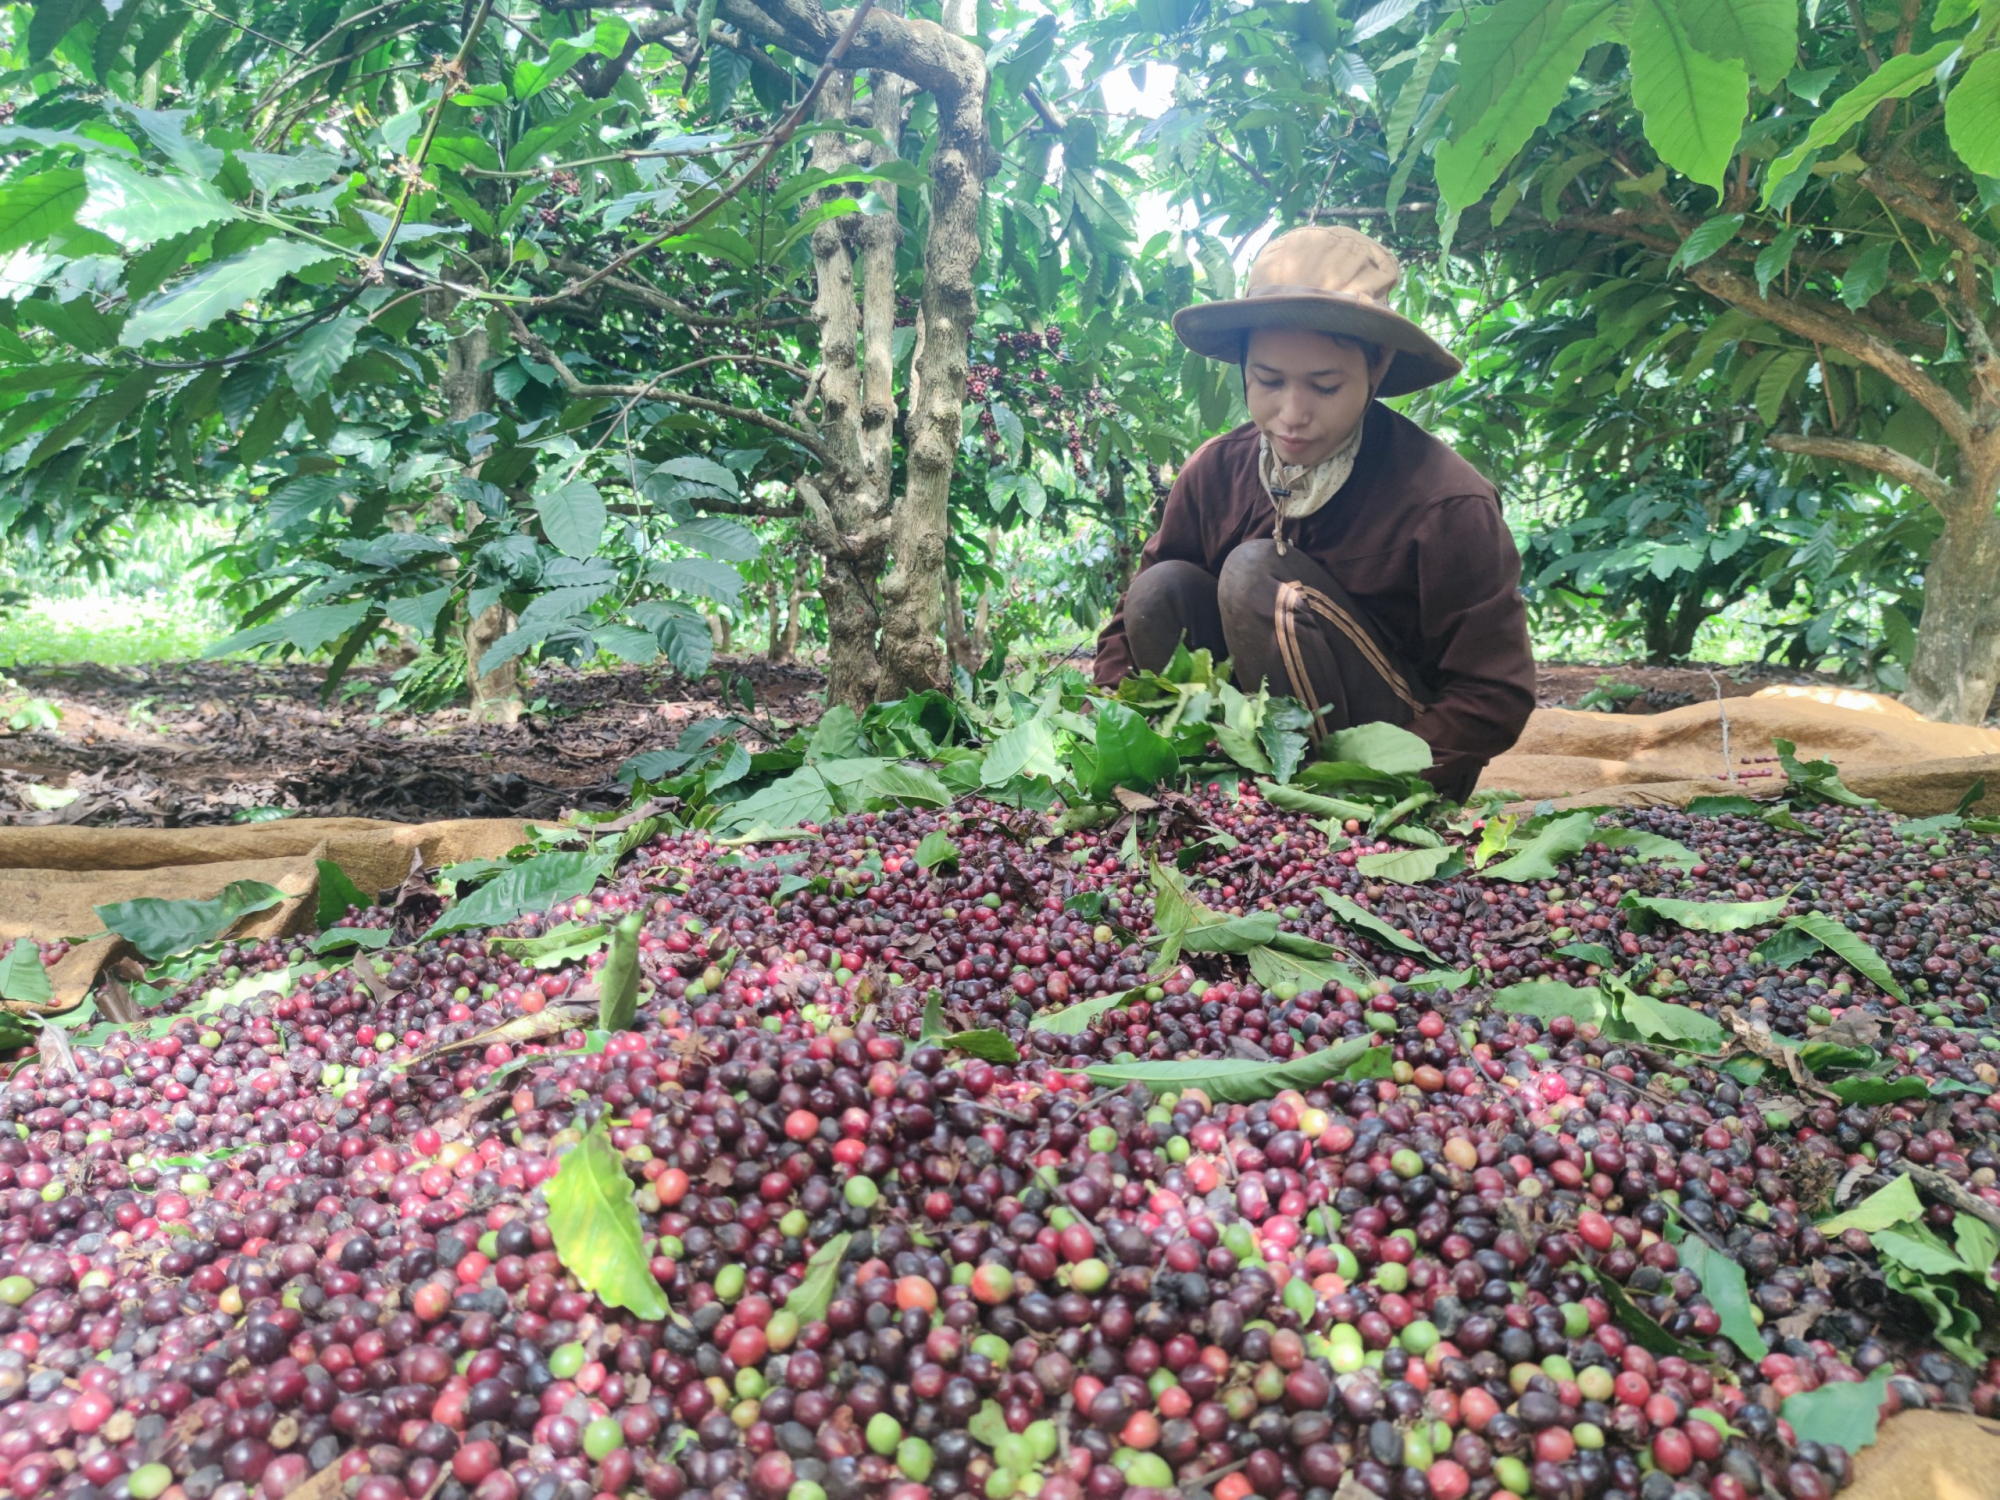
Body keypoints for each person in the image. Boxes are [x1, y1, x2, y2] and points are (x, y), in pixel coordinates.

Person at [1092, 225, 1536, 800]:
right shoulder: (1214, 472)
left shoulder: (1446, 503)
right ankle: (1219, 783)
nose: (1291, 414)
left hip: (1388, 763)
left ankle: (1307, 798)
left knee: (1256, 574)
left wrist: (1380, 780)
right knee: (1159, 589)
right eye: (1269, 382)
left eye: (1324, 386)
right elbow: (1130, 625)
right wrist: (1114, 725)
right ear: (1244, 368)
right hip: (1248, 748)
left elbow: (1493, 694)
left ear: (1375, 374)